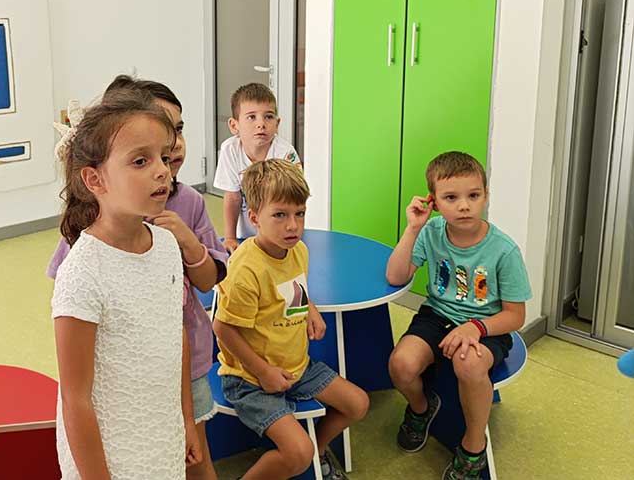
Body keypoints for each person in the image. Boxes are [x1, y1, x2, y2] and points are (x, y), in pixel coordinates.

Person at [47, 75, 227, 479]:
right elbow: (75, 399)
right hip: (110, 449)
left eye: (163, 156)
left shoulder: (165, 246)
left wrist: (186, 420)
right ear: (95, 179)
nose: (162, 171)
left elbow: (177, 336)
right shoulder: (82, 271)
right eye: (140, 161)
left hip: (161, 431)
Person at [213, 159, 368, 480]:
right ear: (254, 218)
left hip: (297, 365)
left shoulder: (298, 251)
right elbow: (222, 328)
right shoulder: (246, 269)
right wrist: (264, 372)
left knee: (358, 404)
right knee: (297, 454)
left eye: (300, 213)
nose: (293, 226)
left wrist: (310, 309)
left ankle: (320, 451)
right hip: (249, 378)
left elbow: (295, 289)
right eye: (280, 215)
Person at [385, 151, 532, 480]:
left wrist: (475, 327)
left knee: (468, 362)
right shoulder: (431, 231)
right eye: (451, 197)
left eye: (473, 195)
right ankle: (422, 409)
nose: (464, 206)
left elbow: (515, 316)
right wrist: (412, 229)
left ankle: (473, 447)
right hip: (437, 316)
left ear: (485, 196)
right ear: (434, 202)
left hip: (487, 326)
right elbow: (396, 276)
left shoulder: (504, 250)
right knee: (401, 365)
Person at [213, 83, 301, 254]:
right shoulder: (230, 150)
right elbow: (232, 197)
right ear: (234, 126)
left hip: (280, 235)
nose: (261, 124)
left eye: (268, 117)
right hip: (246, 236)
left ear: (277, 123)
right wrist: (230, 237)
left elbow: (292, 200)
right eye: (251, 117)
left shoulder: (285, 153)